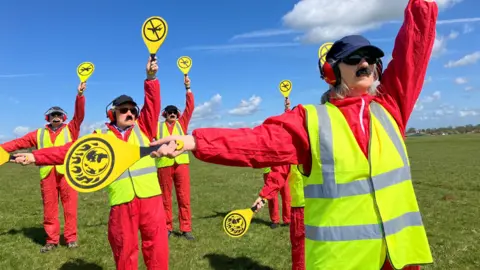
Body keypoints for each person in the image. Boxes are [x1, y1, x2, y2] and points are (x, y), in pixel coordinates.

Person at [148, 0, 438, 269]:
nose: (365, 63)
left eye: (371, 59)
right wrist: (192, 141)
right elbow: (256, 142)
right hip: (342, 261)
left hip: (400, 259)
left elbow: (416, 45)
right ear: (332, 72)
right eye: (354, 59)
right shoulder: (310, 120)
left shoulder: (391, 106)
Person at [12, 57, 169, 270]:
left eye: (133, 110)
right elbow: (69, 151)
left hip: (151, 200)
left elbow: (152, 103)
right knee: (124, 252)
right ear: (112, 113)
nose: (130, 113)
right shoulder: (100, 136)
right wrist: (36, 156)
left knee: (157, 250)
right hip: (122, 203)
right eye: (124, 110)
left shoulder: (145, 129)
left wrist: (151, 78)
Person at [0, 82, 86, 253]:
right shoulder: (38, 133)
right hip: (47, 175)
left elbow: (80, 115)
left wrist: (80, 96)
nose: (56, 117)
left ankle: (71, 238)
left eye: (59, 115)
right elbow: (18, 142)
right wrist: (1, 149)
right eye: (53, 115)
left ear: (64, 117)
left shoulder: (71, 129)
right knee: (49, 209)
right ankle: (51, 240)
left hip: (68, 174)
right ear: (48, 118)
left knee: (70, 208)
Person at [254, 97, 305, 270]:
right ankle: (277, 219)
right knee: (302, 260)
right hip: (301, 210)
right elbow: (279, 173)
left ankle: (283, 218)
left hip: (324, 210)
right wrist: (263, 196)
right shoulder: (290, 145)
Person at [155, 74, 195, 240]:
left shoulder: (182, 123)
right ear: (164, 114)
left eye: (174, 112)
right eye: (169, 112)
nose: (172, 114)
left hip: (182, 164)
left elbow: (190, 107)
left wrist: (187, 88)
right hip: (164, 165)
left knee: (184, 197)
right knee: (165, 198)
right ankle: (167, 228)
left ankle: (186, 228)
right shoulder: (157, 126)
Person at [259, 98, 292, 229]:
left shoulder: (283, 135)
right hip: (270, 171)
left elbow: (289, 121)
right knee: (272, 197)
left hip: (285, 169)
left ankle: (288, 219)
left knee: (287, 195)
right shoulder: (265, 140)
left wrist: (287, 107)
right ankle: (275, 220)